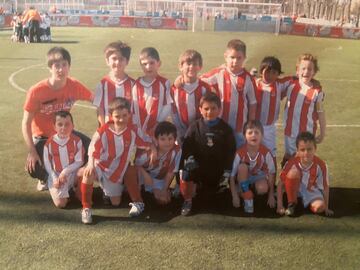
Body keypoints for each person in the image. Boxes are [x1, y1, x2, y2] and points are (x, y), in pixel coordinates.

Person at [22, 47, 93, 192]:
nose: (61, 70)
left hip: (65, 134)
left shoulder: (74, 86)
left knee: (92, 149)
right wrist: (32, 151)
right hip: (43, 138)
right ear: (50, 68)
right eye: (57, 66)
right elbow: (26, 123)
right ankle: (46, 179)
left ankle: (72, 176)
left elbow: (96, 99)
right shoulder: (37, 91)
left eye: (64, 65)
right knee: (33, 167)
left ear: (69, 66)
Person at [80, 98, 150, 224]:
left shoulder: (132, 132)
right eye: (117, 116)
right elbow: (92, 149)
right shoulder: (103, 131)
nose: (122, 119)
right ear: (111, 116)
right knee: (87, 173)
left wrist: (153, 148)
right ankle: (86, 208)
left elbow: (144, 144)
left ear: (129, 114)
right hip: (100, 165)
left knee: (116, 202)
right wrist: (90, 165)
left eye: (125, 115)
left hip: (117, 169)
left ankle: (120, 187)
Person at [179, 92, 236, 216]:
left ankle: (217, 191)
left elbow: (230, 151)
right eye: (206, 109)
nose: (209, 112)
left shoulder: (225, 129)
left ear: (219, 110)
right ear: (200, 109)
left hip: (217, 169)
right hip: (199, 168)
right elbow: (187, 147)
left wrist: (227, 169)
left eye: (213, 108)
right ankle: (187, 200)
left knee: (215, 199)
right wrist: (190, 159)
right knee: (186, 171)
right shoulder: (195, 126)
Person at [200, 39, 257, 148]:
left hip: (240, 127)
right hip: (220, 125)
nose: (235, 61)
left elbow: (253, 103)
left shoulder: (248, 78)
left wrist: (251, 124)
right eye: (232, 57)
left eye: (239, 58)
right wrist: (181, 79)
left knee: (237, 155)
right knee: (219, 153)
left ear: (244, 58)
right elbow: (198, 81)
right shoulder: (218, 73)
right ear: (225, 56)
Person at [282, 53, 326, 167]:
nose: (306, 72)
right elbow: (273, 84)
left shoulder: (317, 91)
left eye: (310, 69)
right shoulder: (290, 84)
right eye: (303, 68)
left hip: (307, 135)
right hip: (290, 132)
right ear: (297, 70)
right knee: (289, 160)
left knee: (304, 162)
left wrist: (322, 133)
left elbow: (321, 113)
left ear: (314, 72)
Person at [277, 132, 333, 217]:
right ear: (297, 151)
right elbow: (280, 184)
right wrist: (280, 205)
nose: (306, 153)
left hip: (311, 191)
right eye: (302, 150)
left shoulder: (321, 165)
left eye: (309, 149)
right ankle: (292, 203)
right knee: (292, 173)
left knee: (320, 207)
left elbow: (325, 187)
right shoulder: (291, 163)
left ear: (315, 149)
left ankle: (305, 202)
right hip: (296, 189)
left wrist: (326, 207)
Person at [229, 120, 276, 214]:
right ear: (244, 136)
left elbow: (271, 173)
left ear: (262, 135)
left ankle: (244, 190)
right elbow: (232, 176)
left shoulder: (266, 152)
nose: (253, 135)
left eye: (257, 132)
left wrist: (271, 195)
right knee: (242, 167)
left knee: (263, 188)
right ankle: (247, 197)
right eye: (250, 132)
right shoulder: (240, 152)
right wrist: (234, 196)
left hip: (258, 177)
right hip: (243, 177)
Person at [43, 111, 84, 208]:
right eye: (60, 124)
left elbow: (79, 161)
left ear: (72, 126)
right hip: (56, 175)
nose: (63, 128)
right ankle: (63, 190)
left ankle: (77, 190)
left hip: (72, 173)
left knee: (83, 172)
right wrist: (54, 177)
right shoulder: (49, 143)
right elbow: (47, 163)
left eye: (67, 124)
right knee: (61, 204)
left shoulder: (77, 141)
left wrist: (65, 172)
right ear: (54, 127)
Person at [171, 49, 212, 143]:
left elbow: (208, 112)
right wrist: (180, 130)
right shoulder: (174, 89)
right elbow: (173, 112)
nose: (191, 67)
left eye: (195, 64)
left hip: (199, 131)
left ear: (200, 67)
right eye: (188, 64)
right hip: (181, 132)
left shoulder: (205, 88)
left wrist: (200, 128)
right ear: (180, 66)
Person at [132, 47, 172, 142]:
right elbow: (133, 108)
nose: (148, 67)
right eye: (144, 64)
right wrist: (135, 125)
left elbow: (168, 105)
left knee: (156, 154)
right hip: (139, 130)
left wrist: (158, 123)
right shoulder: (136, 84)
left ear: (159, 63)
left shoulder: (164, 83)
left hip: (156, 129)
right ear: (140, 65)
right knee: (141, 154)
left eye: (152, 63)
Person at [136, 121, 181, 205]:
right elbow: (134, 164)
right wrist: (145, 175)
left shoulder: (177, 150)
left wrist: (164, 190)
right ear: (156, 139)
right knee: (157, 197)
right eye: (163, 139)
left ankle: (152, 191)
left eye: (170, 139)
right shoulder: (149, 151)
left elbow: (170, 172)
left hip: (159, 178)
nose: (167, 142)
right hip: (143, 176)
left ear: (175, 139)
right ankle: (139, 192)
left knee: (165, 200)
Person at [254, 56, 291, 157]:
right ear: (261, 71)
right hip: (254, 126)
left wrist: (314, 82)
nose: (270, 75)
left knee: (270, 154)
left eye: (274, 73)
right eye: (267, 71)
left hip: (269, 128)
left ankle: (272, 172)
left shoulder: (279, 84)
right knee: (252, 153)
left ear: (278, 74)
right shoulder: (254, 83)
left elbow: (297, 79)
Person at [93, 41, 135, 126]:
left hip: (128, 130)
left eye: (121, 59)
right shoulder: (102, 84)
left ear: (127, 61)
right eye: (114, 58)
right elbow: (100, 110)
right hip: (109, 129)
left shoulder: (133, 84)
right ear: (107, 61)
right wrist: (103, 127)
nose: (117, 62)